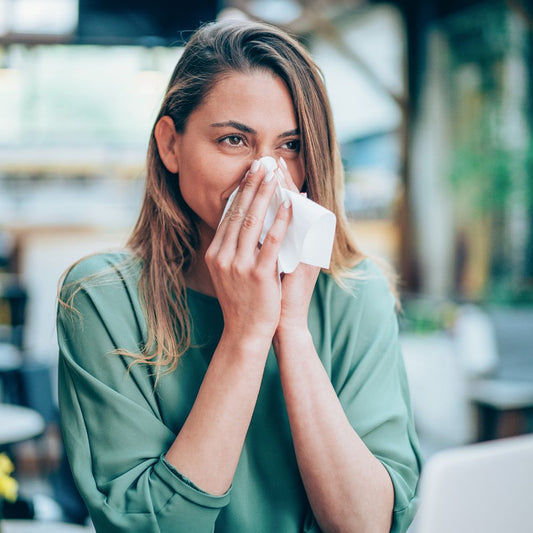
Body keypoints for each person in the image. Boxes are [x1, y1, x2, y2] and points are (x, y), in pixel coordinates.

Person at [57, 19, 421, 533]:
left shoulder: (354, 292)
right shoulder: (101, 298)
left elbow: (367, 525)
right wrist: (247, 334)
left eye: (290, 145)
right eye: (234, 140)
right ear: (170, 145)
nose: (265, 174)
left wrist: (289, 326)